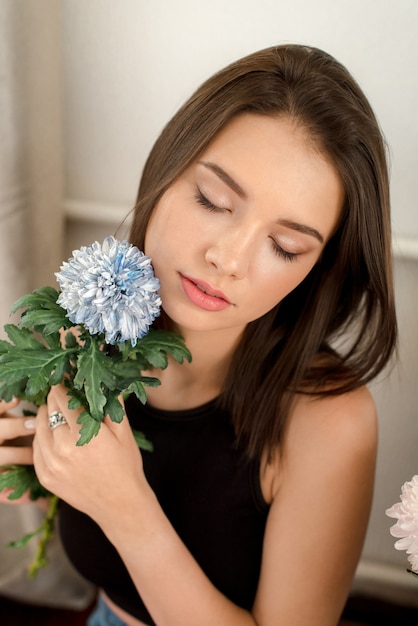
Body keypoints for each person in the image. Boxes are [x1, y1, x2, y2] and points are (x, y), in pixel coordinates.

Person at [0, 44, 397, 626]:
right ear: (166, 171)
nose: (227, 259)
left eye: (284, 247)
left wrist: (129, 513)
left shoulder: (330, 422)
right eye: (213, 201)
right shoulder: (84, 330)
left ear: (319, 266)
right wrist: (40, 469)